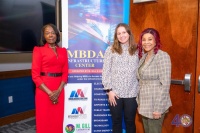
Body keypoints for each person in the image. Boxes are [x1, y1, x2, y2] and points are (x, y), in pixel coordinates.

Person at [102, 23, 139, 133]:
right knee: (116, 122)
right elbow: (106, 71)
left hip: (132, 93)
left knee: (130, 122)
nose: (122, 35)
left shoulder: (137, 50)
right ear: (116, 36)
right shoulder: (110, 50)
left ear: (129, 33)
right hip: (115, 94)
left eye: (124, 32)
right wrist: (109, 91)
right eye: (119, 33)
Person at [31, 23, 68, 133]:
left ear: (57, 35)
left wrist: (58, 91)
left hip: (59, 89)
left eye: (53, 32)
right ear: (44, 36)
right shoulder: (38, 50)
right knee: (44, 119)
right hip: (44, 90)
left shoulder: (63, 51)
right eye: (47, 33)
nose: (50, 35)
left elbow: (65, 73)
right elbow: (35, 75)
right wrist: (50, 93)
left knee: (57, 119)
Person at [137, 28, 172, 133]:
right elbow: (141, 81)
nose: (146, 42)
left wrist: (158, 108)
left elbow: (165, 84)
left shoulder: (162, 56)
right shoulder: (143, 56)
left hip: (155, 104)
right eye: (144, 39)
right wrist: (139, 103)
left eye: (150, 39)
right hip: (144, 103)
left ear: (156, 41)